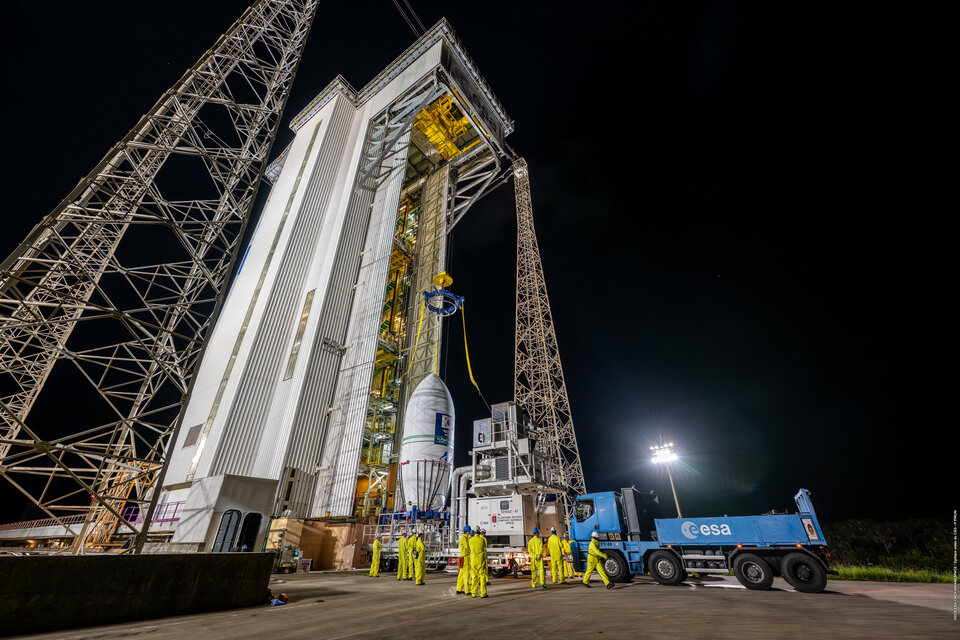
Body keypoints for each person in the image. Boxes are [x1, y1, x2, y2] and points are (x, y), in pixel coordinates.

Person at [469, 528, 489, 598]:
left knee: (474, 577)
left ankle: (474, 593)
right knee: (482, 576)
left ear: (474, 533)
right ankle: (483, 593)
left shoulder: (470, 540)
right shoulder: (482, 540)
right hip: (480, 560)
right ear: (479, 533)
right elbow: (484, 550)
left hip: (473, 560)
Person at [456, 525, 472, 594]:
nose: (470, 533)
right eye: (469, 531)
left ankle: (459, 589)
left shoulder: (465, 537)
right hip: (465, 558)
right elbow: (467, 546)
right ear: (467, 532)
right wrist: (470, 538)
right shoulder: (463, 538)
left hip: (465, 557)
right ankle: (467, 590)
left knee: (461, 575)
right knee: (466, 575)